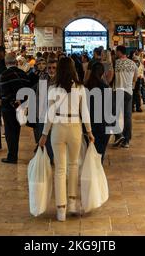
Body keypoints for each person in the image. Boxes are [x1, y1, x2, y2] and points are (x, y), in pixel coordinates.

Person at [38, 57, 95, 222]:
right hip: (75, 127)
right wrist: (89, 131)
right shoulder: (80, 87)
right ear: (73, 69)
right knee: (73, 166)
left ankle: (60, 210)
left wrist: (44, 134)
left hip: (57, 128)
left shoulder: (53, 88)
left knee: (60, 169)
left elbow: (49, 114)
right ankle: (71, 204)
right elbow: (85, 112)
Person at [0, 53, 31, 164]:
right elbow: (28, 90)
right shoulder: (23, 74)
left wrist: (14, 103)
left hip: (8, 108)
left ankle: (12, 156)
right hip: (21, 108)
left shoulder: (4, 75)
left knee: (9, 132)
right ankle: (13, 154)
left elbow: (5, 94)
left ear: (6, 63)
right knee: (16, 131)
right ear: (16, 62)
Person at [113, 45, 138, 148]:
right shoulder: (133, 64)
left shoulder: (116, 63)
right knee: (127, 117)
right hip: (128, 92)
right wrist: (131, 86)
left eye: (116, 52)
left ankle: (118, 135)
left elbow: (110, 76)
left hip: (117, 91)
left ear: (119, 52)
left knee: (113, 115)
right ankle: (127, 140)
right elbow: (135, 78)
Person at [85, 62, 110, 162]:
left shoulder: (85, 87)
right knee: (99, 155)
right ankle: (97, 173)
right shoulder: (105, 88)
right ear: (102, 73)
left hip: (88, 125)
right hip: (102, 125)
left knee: (88, 153)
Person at [32, 58, 56, 163]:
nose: (51, 70)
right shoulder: (43, 78)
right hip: (43, 112)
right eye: (49, 68)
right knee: (44, 136)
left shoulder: (60, 80)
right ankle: (48, 158)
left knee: (53, 137)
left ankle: (50, 157)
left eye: (54, 68)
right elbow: (39, 96)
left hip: (56, 114)